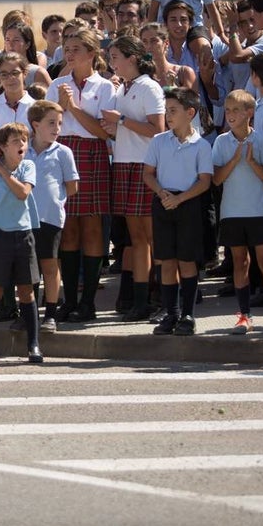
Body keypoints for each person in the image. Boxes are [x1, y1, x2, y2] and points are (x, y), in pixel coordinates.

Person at [47, 27, 114, 322]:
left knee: (93, 228)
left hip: (92, 153)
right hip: (63, 152)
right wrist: (60, 109)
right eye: (67, 48)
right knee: (68, 228)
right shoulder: (57, 84)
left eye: (76, 49)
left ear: (91, 53)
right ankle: (69, 299)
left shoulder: (105, 87)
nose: (69, 54)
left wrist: (73, 107)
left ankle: (89, 302)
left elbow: (102, 132)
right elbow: (48, 126)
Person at [99, 36, 165, 322]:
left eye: (115, 56)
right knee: (136, 238)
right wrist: (113, 127)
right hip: (124, 164)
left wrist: (121, 122)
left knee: (151, 236)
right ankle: (139, 300)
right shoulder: (122, 88)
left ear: (133, 58)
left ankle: (160, 296)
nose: (112, 62)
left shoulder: (149, 87)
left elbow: (157, 129)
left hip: (144, 165)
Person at [212, 90, 263, 336]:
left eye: (236, 110)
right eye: (228, 109)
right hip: (231, 213)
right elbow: (216, 179)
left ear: (249, 113)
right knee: (240, 263)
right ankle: (244, 316)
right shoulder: (221, 141)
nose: (231, 115)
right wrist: (234, 160)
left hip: (259, 211)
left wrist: (252, 161)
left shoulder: (262, 139)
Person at [143, 87, 213, 336]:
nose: (168, 115)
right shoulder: (159, 141)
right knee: (166, 260)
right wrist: (163, 194)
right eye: (167, 110)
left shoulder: (201, 145)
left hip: (188, 203)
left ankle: (187, 314)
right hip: (163, 201)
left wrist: (180, 199)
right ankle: (170, 312)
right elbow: (148, 174)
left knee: (187, 260)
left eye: (173, 111)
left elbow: (204, 181)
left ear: (190, 112)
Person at [0, 123, 43, 363]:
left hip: (23, 234)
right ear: (3, 146)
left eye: (24, 141)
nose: (22, 146)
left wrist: (4, 173)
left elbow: (23, 193)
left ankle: (34, 345)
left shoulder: (27, 166)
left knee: (26, 291)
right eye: (16, 141)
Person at [26, 101, 78, 332]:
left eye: (59, 124)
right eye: (51, 123)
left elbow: (72, 185)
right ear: (35, 125)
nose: (57, 128)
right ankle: (29, 313)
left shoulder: (63, 152)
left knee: (49, 264)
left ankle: (51, 313)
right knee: (28, 268)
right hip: (24, 218)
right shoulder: (23, 149)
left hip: (50, 217)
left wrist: (55, 198)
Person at [0, 52, 36, 158]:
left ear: (25, 73)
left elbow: (38, 144)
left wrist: (3, 144)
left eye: (15, 73)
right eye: (4, 74)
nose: (10, 78)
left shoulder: (35, 107)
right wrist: (20, 145)